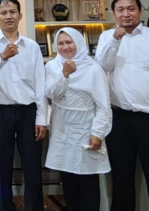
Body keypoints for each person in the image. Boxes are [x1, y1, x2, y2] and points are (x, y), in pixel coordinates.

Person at [95, 0, 149, 211]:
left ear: (140, 11)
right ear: (114, 13)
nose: (126, 14)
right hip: (119, 118)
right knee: (121, 176)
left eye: (131, 9)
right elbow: (102, 67)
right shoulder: (106, 37)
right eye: (120, 10)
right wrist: (115, 40)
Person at [0, 0, 47, 211]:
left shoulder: (31, 46)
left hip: (28, 113)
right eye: (3, 12)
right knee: (1, 167)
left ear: (20, 15)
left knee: (32, 168)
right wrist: (2, 57)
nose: (8, 16)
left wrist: (41, 118)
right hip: (0, 113)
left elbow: (40, 84)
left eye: (12, 12)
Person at [45, 28, 111, 211]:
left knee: (88, 181)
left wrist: (98, 133)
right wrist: (64, 74)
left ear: (79, 43)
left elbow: (103, 106)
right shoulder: (52, 66)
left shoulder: (93, 68)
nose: (65, 47)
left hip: (86, 131)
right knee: (68, 181)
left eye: (69, 42)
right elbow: (51, 94)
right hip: (62, 132)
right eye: (60, 43)